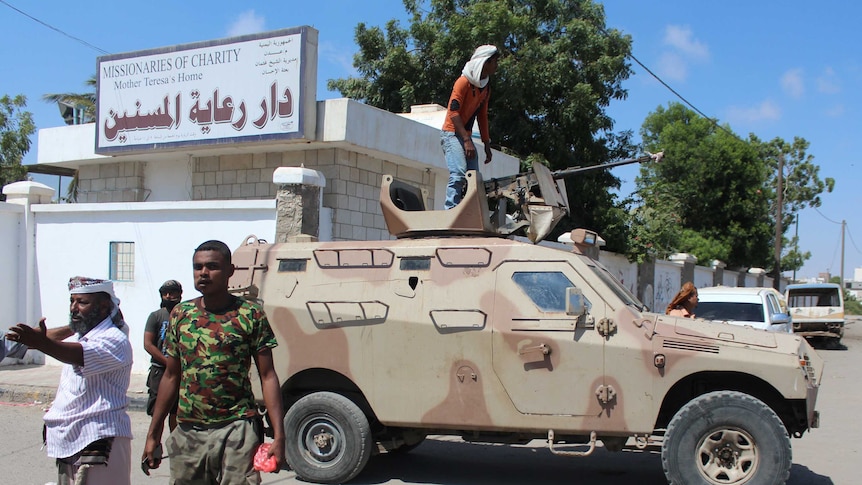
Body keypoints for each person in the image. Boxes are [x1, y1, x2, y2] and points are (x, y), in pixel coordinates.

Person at [142, 240, 285, 484]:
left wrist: (279, 436)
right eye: (198, 267)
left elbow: (268, 375)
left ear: (230, 271)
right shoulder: (181, 315)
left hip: (237, 428)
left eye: (212, 267)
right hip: (189, 432)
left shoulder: (250, 314)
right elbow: (171, 376)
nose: (203, 273)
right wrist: (153, 434)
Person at [6, 276, 133, 485]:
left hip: (98, 438)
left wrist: (42, 343)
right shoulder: (84, 335)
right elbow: (48, 339)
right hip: (71, 439)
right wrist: (67, 329)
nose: (74, 307)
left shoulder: (114, 339)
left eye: (82, 302)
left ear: (103, 307)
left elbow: (76, 354)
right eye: (71, 301)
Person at [441, 44, 500, 209]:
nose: (496, 66)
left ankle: (467, 211)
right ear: (485, 62)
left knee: (473, 178)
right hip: (452, 133)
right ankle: (450, 210)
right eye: (494, 61)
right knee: (459, 173)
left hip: (464, 135)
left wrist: (487, 144)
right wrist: (467, 140)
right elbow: (453, 112)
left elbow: (482, 116)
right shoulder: (463, 82)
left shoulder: (485, 88)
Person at [143, 279, 183, 431]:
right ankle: (155, 450)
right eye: (165, 293)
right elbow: (148, 344)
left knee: (176, 413)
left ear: (179, 294)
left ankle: (176, 450)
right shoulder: (156, 316)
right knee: (158, 413)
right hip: (159, 371)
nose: (168, 296)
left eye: (172, 293)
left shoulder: (185, 315)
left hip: (180, 373)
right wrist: (167, 362)